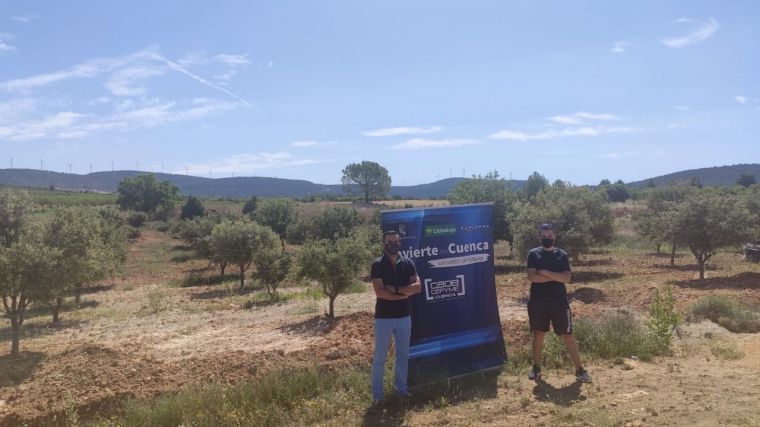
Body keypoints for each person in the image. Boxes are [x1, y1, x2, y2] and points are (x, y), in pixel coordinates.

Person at [526, 223, 592, 383]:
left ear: (554, 236)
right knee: (539, 334)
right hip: (538, 302)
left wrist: (545, 272)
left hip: (559, 302)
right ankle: (536, 368)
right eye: (544, 236)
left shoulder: (561, 255)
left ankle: (579, 369)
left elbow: (566, 278)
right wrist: (556, 276)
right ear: (539, 237)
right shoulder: (533, 254)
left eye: (549, 236)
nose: (547, 238)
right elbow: (532, 277)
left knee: (568, 335)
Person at [370, 230, 421, 403]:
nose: (392, 245)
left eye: (396, 241)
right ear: (384, 243)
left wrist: (396, 289)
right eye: (389, 242)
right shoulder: (377, 264)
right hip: (383, 318)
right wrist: (404, 293)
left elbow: (418, 287)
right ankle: (378, 397)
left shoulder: (408, 263)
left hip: (404, 317)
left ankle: (401, 389)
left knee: (402, 356)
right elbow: (380, 292)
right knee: (380, 358)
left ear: (400, 243)